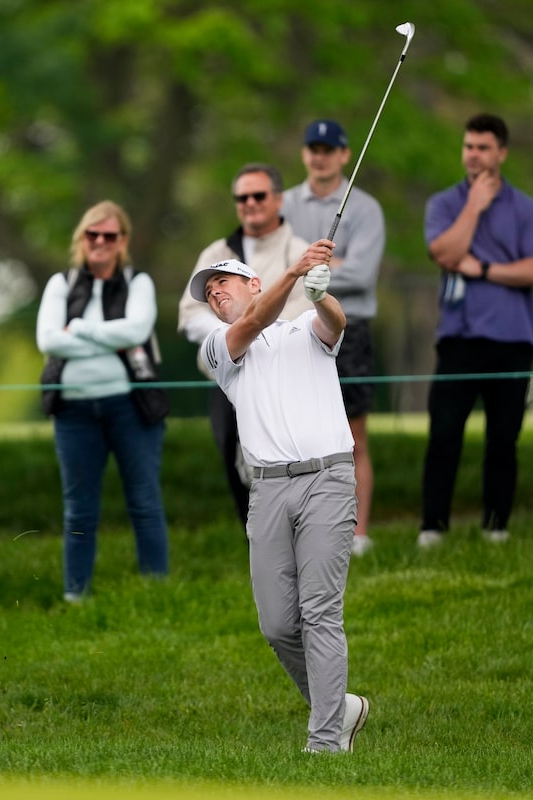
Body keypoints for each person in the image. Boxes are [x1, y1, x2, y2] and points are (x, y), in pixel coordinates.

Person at [190, 248, 369, 753]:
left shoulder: (302, 330)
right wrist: (295, 272)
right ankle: (339, 707)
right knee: (276, 623)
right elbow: (253, 322)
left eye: (223, 282)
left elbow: (335, 324)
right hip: (267, 489)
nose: (215, 294)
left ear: (254, 282)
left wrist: (320, 293)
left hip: (328, 479)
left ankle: (325, 743)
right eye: (209, 293)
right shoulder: (217, 348)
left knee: (320, 612)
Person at [418, 113, 533, 548]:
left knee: (503, 438)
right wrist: (474, 206)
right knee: (444, 434)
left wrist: (487, 269)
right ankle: (432, 529)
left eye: (482, 148)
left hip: (512, 339)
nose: (473, 155)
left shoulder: (526, 208)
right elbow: (445, 253)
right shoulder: (444, 204)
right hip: (458, 338)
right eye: (468, 147)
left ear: (502, 153)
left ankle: (496, 527)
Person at [36, 200, 169, 603]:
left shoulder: (138, 282)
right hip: (74, 411)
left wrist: (79, 329)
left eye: (109, 235)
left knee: (144, 502)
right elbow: (48, 341)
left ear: (122, 240)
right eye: (92, 234)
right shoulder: (61, 283)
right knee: (79, 509)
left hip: (131, 407)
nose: (100, 242)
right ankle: (75, 596)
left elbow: (137, 331)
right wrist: (110, 340)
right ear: (82, 238)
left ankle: (156, 595)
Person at [177, 164, 313, 528]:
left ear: (278, 199)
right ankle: (253, 537)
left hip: (283, 382)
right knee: (233, 460)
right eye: (242, 197)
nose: (250, 203)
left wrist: (247, 328)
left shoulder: (297, 251)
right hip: (227, 380)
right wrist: (232, 335)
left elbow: (303, 311)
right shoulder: (216, 251)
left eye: (258, 195)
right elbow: (191, 313)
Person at [283, 120, 386, 556]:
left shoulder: (365, 207)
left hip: (350, 328)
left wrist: (308, 269)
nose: (320, 157)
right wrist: (321, 266)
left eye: (329, 150)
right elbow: (278, 266)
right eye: (314, 149)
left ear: (344, 155)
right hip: (294, 328)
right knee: (295, 433)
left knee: (353, 434)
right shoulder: (284, 203)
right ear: (304, 153)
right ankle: (301, 527)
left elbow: (362, 274)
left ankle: (358, 534)